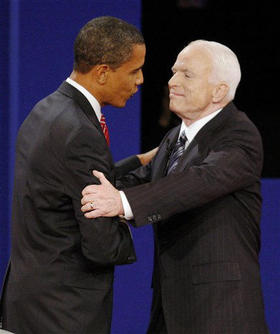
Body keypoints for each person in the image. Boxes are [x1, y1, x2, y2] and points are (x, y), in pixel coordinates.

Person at [80, 40, 269, 333]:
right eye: (173, 72)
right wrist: (89, 184)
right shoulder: (175, 137)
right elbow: (140, 179)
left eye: (187, 75)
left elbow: (197, 181)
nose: (172, 82)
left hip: (220, 313)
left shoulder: (239, 135)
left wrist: (122, 202)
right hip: (171, 309)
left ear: (219, 90)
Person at [0, 16, 149, 334]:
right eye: (134, 70)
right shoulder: (81, 131)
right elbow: (101, 245)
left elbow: (69, 182)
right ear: (104, 72)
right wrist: (123, 211)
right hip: (62, 315)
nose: (140, 81)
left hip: (29, 306)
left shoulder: (45, 111)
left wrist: (139, 161)